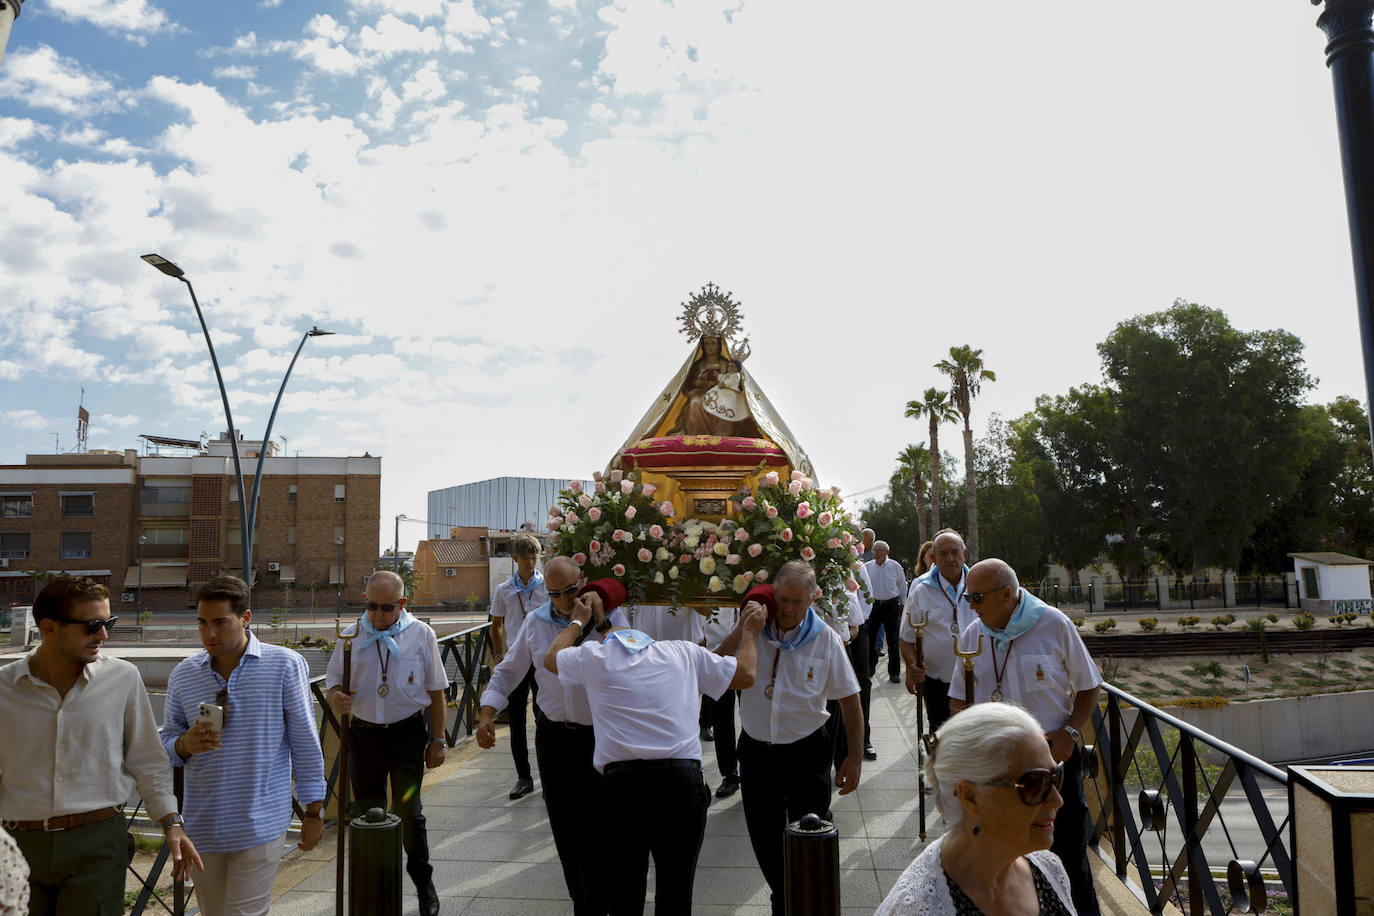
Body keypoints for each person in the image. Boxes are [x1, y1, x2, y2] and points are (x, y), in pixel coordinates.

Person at [543, 585, 763, 916]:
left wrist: (577, 622)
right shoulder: (683, 652)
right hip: (681, 785)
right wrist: (747, 633)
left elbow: (551, 658)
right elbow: (744, 673)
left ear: (608, 638)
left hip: (621, 790)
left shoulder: (596, 656)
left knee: (624, 893)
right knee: (676, 895)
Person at [0, 575, 201, 914]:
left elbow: (148, 759)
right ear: (48, 628)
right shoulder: (5, 688)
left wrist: (171, 823)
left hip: (98, 841)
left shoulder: (122, 678)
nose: (104, 635)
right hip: (18, 842)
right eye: (92, 625)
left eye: (108, 622)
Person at [161, 576, 326, 916]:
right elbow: (163, 747)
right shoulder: (184, 674)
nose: (210, 634)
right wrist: (184, 744)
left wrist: (314, 811)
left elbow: (305, 740)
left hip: (261, 820)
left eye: (220, 622)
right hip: (203, 823)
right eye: (203, 623)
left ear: (245, 618)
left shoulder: (284, 664)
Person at [476, 557, 630, 916]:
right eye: (555, 594)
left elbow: (630, 661)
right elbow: (509, 671)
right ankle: (583, 900)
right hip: (554, 736)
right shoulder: (535, 622)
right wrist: (486, 713)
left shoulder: (612, 619)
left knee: (601, 825)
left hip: (602, 737)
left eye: (571, 591)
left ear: (584, 583)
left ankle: (599, 900)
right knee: (564, 825)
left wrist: (595, 621)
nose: (563, 600)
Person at [949, 558, 1103, 916]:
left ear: (1006, 595)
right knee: (1006, 864)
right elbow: (958, 698)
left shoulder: (1054, 624)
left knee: (1068, 863)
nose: (970, 606)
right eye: (968, 598)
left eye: (977, 598)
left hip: (1053, 766)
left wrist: (1069, 731)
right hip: (1000, 775)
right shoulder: (975, 634)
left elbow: (1089, 686)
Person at [722, 560, 865, 916]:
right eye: (782, 599)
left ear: (812, 599)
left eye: (796, 602)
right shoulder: (756, 629)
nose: (786, 609)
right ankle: (784, 898)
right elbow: (714, 667)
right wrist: (744, 631)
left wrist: (854, 757)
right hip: (757, 754)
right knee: (766, 843)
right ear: (772, 592)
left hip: (807, 752)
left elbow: (850, 700)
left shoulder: (825, 639)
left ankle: (798, 902)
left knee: (811, 841)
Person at [875, 703, 1074, 915]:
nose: (1057, 799)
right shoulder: (918, 907)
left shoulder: (1048, 869)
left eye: (1056, 776)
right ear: (971, 797)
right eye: (1035, 784)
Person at [326, 570, 447, 916]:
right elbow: (333, 684)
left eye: (387, 607)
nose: (379, 615)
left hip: (407, 734)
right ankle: (373, 885)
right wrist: (336, 698)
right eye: (372, 606)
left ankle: (423, 884)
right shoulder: (349, 636)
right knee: (368, 811)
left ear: (402, 603)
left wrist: (438, 740)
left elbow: (437, 694)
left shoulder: (421, 634)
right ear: (364, 601)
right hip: (363, 736)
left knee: (409, 812)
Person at [489, 533, 547, 800]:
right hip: (516, 660)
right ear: (516, 559)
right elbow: (496, 625)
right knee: (516, 721)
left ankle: (548, 774)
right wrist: (499, 654)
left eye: (535, 556)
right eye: (526, 557)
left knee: (546, 718)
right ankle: (524, 777)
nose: (531, 561)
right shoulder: (504, 590)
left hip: (542, 659)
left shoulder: (546, 587)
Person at [900, 529, 975, 732]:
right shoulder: (921, 590)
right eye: (943, 553)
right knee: (942, 739)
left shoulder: (980, 585)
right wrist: (912, 665)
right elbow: (906, 638)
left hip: (978, 681)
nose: (950, 558)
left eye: (955, 552)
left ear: (964, 554)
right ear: (933, 558)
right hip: (938, 683)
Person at [865, 540, 908, 685]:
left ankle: (894, 673)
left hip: (891, 605)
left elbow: (902, 586)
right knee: (870, 640)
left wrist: (903, 604)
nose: (876, 553)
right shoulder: (867, 567)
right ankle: (869, 669)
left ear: (887, 552)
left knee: (893, 641)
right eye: (875, 551)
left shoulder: (895, 566)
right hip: (874, 606)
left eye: (879, 551)